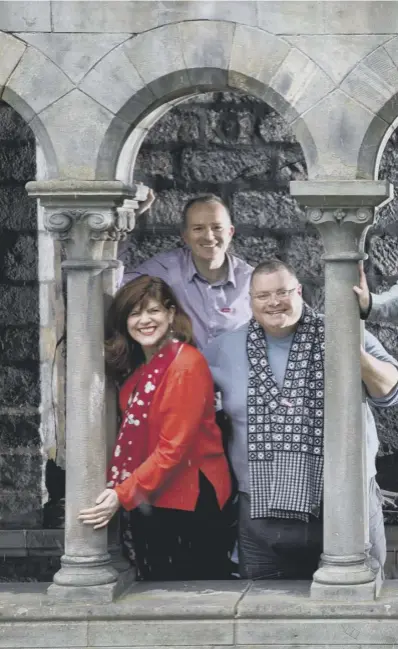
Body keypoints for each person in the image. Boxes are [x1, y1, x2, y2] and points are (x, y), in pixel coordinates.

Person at [204, 258, 398, 580]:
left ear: (300, 291)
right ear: (250, 300)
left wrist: (352, 352)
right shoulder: (224, 349)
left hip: (346, 509)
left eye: (282, 292)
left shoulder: (344, 331)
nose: (274, 302)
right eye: (263, 295)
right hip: (262, 522)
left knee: (359, 617)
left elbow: (391, 390)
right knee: (264, 619)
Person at [78, 276, 232, 581]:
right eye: (135, 314)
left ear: (171, 313)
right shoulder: (141, 368)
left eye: (153, 311)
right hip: (156, 494)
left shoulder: (185, 365)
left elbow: (173, 448)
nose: (144, 320)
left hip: (189, 498)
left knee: (184, 594)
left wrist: (121, 494)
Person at [122, 193, 253, 350]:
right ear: (185, 236)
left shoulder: (251, 281)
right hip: (182, 372)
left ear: (230, 232)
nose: (209, 237)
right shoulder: (166, 269)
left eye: (217, 227)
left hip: (236, 372)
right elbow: (114, 285)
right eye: (198, 228)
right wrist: (128, 220)